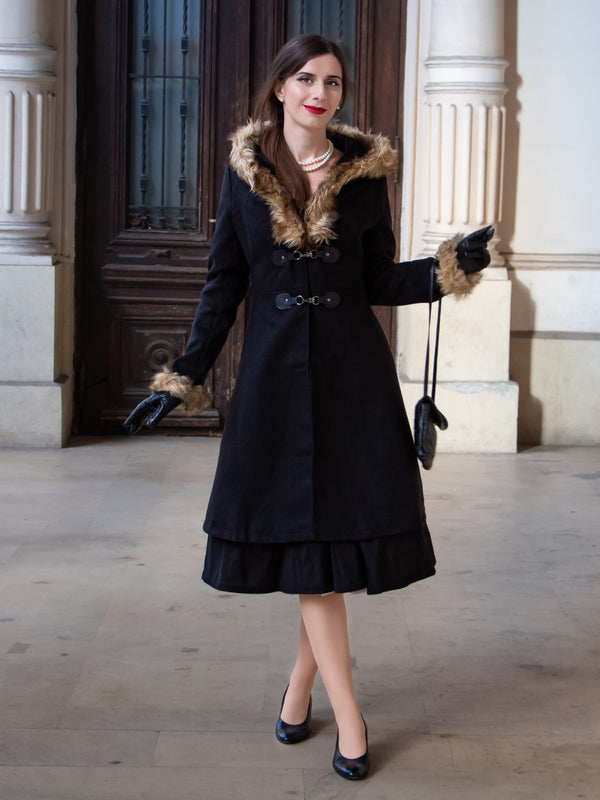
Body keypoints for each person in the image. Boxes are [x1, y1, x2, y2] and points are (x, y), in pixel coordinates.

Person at [124, 34, 493, 781]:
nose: (320, 92)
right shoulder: (244, 174)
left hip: (353, 380)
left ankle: (303, 694)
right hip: (273, 383)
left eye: (333, 81)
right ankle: (348, 716)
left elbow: (378, 280)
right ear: (280, 88)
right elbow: (224, 286)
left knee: (319, 557)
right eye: (306, 79)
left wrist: (448, 268)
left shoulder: (364, 177)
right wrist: (181, 377)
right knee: (310, 557)